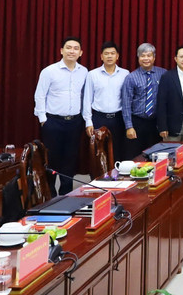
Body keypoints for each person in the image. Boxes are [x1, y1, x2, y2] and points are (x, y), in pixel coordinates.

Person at [34, 36, 88, 195]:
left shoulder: (84, 72)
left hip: (74, 122)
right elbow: (39, 96)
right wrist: (44, 120)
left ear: (81, 52)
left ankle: (66, 194)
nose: (72, 51)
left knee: (70, 159)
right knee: (52, 159)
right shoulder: (49, 71)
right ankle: (50, 193)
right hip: (53, 122)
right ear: (61, 51)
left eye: (76, 48)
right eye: (69, 47)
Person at [83, 41, 129, 161]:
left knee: (118, 152)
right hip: (99, 118)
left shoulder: (125, 74)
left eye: (112, 53)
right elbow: (87, 99)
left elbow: (127, 99)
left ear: (117, 56)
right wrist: (88, 121)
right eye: (106, 53)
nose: (109, 56)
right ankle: (99, 179)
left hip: (118, 119)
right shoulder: (92, 74)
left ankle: (117, 179)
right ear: (101, 56)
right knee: (99, 154)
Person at [121, 43, 167, 160]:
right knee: (136, 157)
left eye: (149, 55)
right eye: (142, 56)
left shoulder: (163, 74)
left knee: (156, 156)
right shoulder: (131, 77)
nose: (146, 59)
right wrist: (129, 127)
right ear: (138, 58)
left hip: (156, 123)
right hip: (137, 123)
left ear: (154, 57)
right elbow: (126, 104)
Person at [156, 46, 183, 141]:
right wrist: (162, 127)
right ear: (175, 58)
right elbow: (161, 103)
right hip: (172, 125)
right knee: (172, 153)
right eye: (181, 56)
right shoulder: (167, 76)